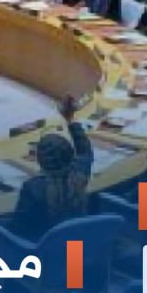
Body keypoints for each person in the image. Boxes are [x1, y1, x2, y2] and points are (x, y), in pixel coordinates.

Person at [9, 96, 91, 241]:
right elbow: (85, 150)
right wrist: (70, 119)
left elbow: (19, 227)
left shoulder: (33, 187)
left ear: (40, 160)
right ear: (70, 155)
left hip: (44, 252)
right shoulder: (80, 174)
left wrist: (3, 225)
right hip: (75, 250)